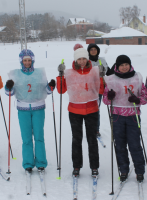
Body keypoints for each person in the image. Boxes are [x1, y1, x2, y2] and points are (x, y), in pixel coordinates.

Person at [5, 49, 55, 173]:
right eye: (24, 60)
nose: (27, 62)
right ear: (21, 61)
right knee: (26, 138)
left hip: (38, 108)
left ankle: (41, 162)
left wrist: (51, 86)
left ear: (32, 60)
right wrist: (8, 86)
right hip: (23, 109)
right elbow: (9, 93)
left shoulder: (39, 73)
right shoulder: (16, 74)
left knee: (39, 136)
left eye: (29, 60)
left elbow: (47, 91)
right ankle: (28, 163)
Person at [56, 46, 103, 176]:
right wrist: (60, 76)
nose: (82, 61)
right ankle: (76, 166)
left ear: (87, 59)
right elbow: (61, 90)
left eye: (84, 58)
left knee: (91, 139)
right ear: (75, 60)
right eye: (79, 59)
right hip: (75, 110)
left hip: (92, 109)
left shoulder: (94, 71)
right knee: (76, 139)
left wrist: (102, 77)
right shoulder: (69, 72)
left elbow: (101, 90)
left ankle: (94, 166)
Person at [103, 55, 147, 182]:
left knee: (135, 145)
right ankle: (123, 170)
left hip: (133, 116)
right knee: (120, 145)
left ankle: (139, 171)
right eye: (121, 65)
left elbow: (144, 96)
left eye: (126, 64)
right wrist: (109, 97)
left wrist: (138, 100)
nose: (124, 67)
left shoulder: (137, 77)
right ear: (117, 66)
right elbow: (105, 100)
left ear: (130, 65)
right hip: (117, 116)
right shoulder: (111, 79)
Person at [87, 43, 109, 137]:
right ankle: (89, 128)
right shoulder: (86, 61)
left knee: (96, 109)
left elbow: (109, 71)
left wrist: (103, 71)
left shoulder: (102, 60)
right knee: (88, 109)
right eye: (91, 49)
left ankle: (96, 129)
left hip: (99, 88)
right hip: (88, 88)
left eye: (95, 49)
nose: (93, 51)